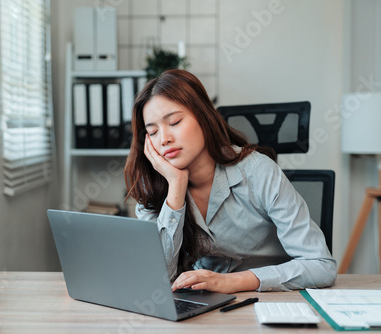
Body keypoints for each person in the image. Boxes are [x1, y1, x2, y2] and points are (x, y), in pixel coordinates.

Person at [124, 69, 336, 294]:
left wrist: (232, 282)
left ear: (203, 117)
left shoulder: (258, 172)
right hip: (204, 307)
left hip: (272, 302)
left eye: (174, 122)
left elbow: (321, 266)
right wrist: (176, 186)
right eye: (153, 132)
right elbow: (159, 277)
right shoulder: (154, 185)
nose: (164, 138)